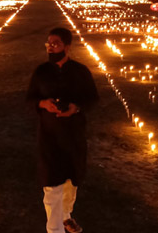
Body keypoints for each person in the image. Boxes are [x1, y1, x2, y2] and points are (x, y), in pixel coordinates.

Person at [26, 27, 99, 233]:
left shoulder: (80, 72)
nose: (51, 47)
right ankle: (54, 229)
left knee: (70, 182)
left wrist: (75, 107)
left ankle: (66, 215)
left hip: (73, 135)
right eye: (48, 43)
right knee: (52, 185)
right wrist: (43, 104)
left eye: (55, 43)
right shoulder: (41, 72)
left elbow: (92, 99)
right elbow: (29, 98)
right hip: (49, 136)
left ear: (67, 47)